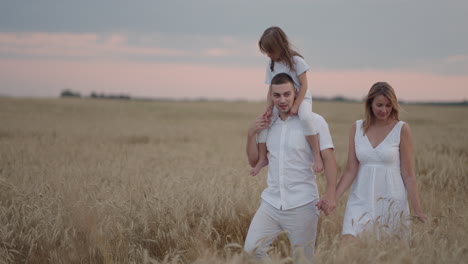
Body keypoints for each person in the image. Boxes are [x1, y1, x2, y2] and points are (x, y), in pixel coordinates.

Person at [244, 73, 337, 261]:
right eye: (277, 95)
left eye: (287, 94)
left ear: (296, 92)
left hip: (302, 204)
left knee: (303, 260)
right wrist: (250, 133)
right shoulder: (269, 122)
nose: (282, 100)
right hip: (271, 202)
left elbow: (329, 159)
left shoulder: (313, 121)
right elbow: (255, 162)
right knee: (252, 250)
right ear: (271, 96)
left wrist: (330, 193)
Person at [333, 82, 427, 239]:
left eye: (388, 105)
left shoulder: (401, 129)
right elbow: (351, 169)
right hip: (360, 199)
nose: (384, 110)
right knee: (349, 245)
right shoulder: (357, 128)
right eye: (379, 105)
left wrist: (418, 211)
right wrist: (332, 198)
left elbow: (409, 174)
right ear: (369, 104)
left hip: (391, 202)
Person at [250, 26, 323, 177]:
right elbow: (271, 90)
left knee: (306, 118)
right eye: (266, 52)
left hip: (301, 98)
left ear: (280, 45)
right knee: (265, 122)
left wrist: (296, 105)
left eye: (271, 50)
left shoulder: (296, 61)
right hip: (280, 100)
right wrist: (268, 109)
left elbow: (304, 85)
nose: (269, 54)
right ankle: (263, 158)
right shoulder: (271, 64)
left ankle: (316, 155)